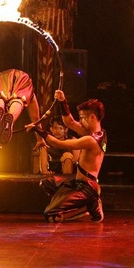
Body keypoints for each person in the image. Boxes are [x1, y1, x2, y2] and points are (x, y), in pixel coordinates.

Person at [28, 90, 106, 222]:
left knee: (50, 214)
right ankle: (77, 204)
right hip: (77, 183)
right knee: (47, 183)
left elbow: (58, 144)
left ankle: (87, 206)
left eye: (82, 118)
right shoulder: (95, 132)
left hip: (86, 189)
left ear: (92, 117)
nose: (80, 121)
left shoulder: (92, 140)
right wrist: (62, 102)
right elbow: (70, 122)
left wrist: (38, 129)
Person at [0, 69, 43, 150]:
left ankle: (0, 107)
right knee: (19, 100)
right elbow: (36, 118)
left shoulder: (31, 95)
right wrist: (40, 139)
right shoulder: (31, 95)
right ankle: (11, 117)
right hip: (23, 79)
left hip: (3, 76)